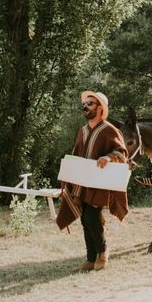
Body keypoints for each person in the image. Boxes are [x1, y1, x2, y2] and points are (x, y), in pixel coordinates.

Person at [56, 90, 129, 272]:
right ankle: (90, 258)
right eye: (85, 103)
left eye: (90, 103)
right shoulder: (82, 131)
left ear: (100, 108)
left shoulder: (110, 130)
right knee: (84, 219)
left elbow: (122, 153)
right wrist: (68, 176)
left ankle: (103, 252)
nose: (85, 106)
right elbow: (76, 153)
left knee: (91, 217)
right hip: (81, 183)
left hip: (99, 183)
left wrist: (109, 157)